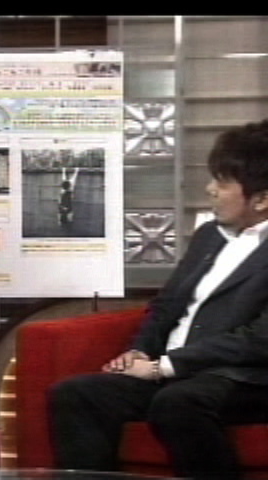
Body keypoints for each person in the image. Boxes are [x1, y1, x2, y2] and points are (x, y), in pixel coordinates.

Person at [48, 120, 268, 480]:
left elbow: (259, 339)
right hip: (174, 372)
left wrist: (163, 367)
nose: (210, 190)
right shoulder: (210, 235)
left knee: (178, 403)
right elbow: (167, 305)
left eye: (222, 182)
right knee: (77, 394)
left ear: (261, 199)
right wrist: (140, 351)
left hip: (244, 379)